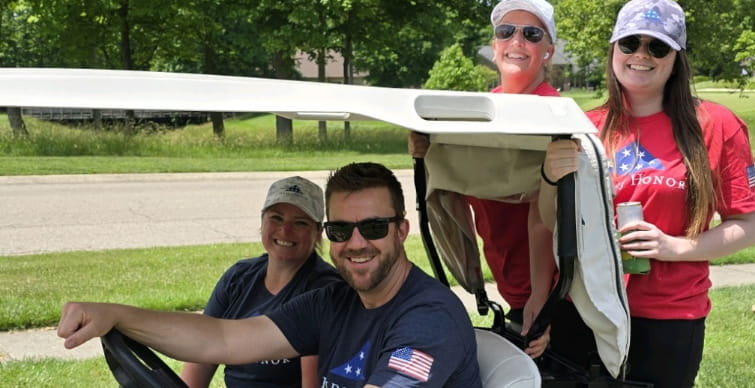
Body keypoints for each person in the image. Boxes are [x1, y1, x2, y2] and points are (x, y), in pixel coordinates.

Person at [59, 162, 482, 388]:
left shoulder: (428, 318)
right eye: (340, 230)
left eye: (372, 228)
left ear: (401, 230)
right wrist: (116, 315)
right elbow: (221, 339)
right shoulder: (333, 302)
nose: (356, 244)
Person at [538, 0, 755, 387]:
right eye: (629, 44)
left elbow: (748, 225)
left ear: (676, 58)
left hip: (668, 318)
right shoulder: (583, 127)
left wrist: (675, 247)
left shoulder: (716, 125)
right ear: (613, 50)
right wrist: (548, 175)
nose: (641, 55)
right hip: (584, 309)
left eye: (657, 47)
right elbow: (548, 221)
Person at [408, 0, 559, 358]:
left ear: (548, 51)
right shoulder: (475, 116)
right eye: (506, 32)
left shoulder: (554, 113)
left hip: (553, 290)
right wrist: (426, 149)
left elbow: (543, 216)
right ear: (494, 46)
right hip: (509, 278)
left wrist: (542, 297)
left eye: (531, 34)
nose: (517, 41)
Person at [181, 176, 340, 388]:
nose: (285, 231)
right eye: (276, 218)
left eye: (300, 223)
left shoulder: (325, 291)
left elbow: (312, 384)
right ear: (262, 221)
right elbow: (201, 352)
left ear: (318, 233)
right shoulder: (239, 278)